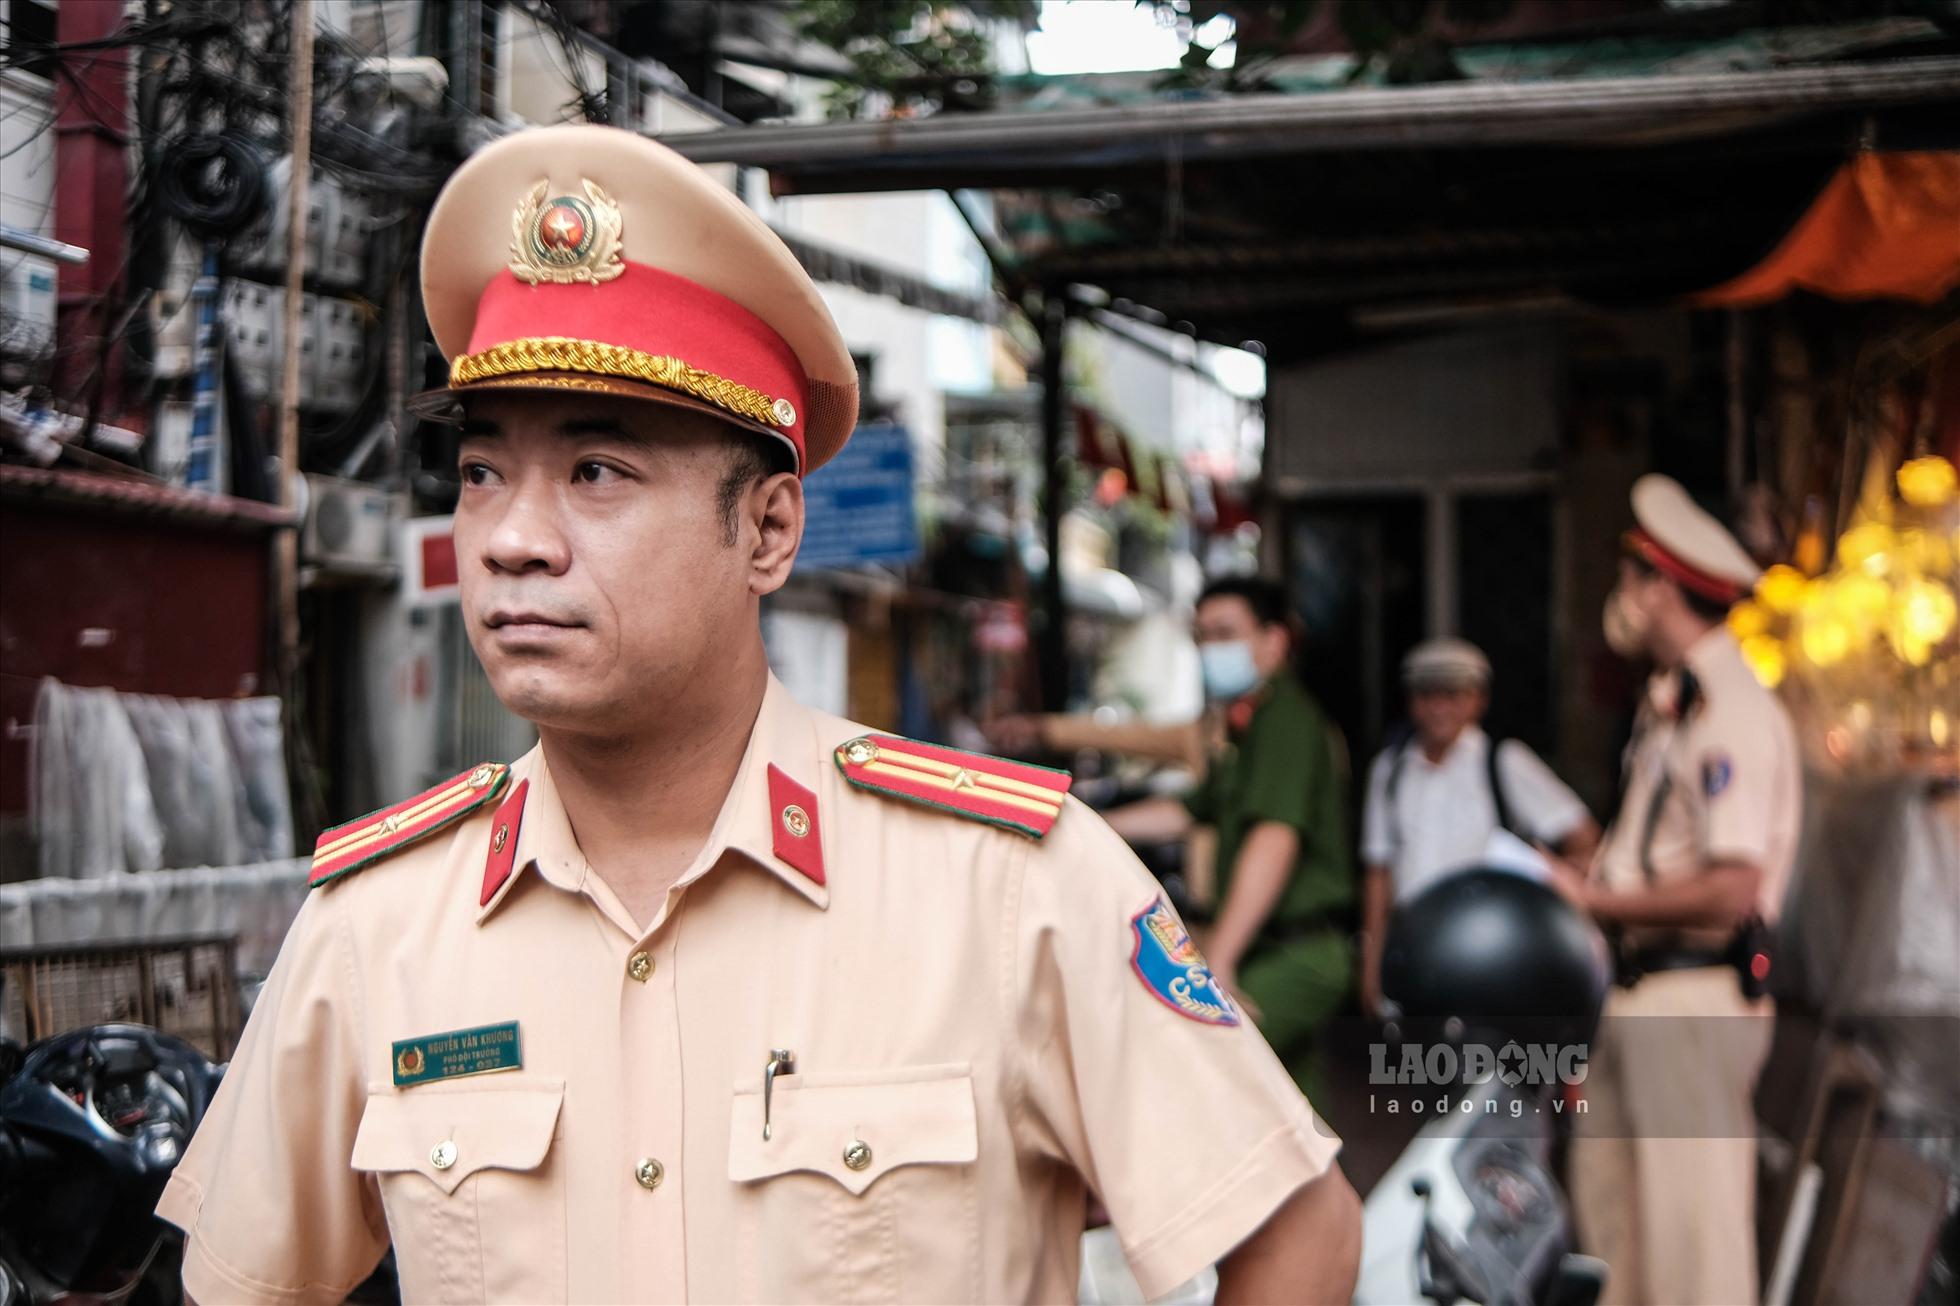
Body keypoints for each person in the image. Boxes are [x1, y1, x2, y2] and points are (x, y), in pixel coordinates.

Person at [153, 125, 1360, 1304]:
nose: (514, 539)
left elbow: (1297, 1231)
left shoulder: (1008, 892)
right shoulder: (377, 926)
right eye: (482, 472)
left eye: (597, 471)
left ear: (768, 529)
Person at [1552, 474, 1801, 1306]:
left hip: (1693, 997)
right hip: (1640, 992)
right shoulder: (1676, 706)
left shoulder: (1731, 712)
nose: (1619, 598)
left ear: (1660, 587)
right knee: (1619, 1233)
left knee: (1695, 1253)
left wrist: (1596, 903)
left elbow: (1732, 889)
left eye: (1629, 578)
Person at [1099, 576, 1355, 1093]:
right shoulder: (1248, 724)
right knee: (1300, 1122)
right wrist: (1090, 825)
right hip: (1279, 948)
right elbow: (1189, 809)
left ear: (1274, 640)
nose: (1210, 648)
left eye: (1225, 632)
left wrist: (1221, 960)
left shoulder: (1286, 721)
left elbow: (1274, 841)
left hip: (1297, 954)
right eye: (1202, 635)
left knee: (1197, 1070)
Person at [1356, 637, 1600, 1018]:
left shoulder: (1504, 761)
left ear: (1478, 699)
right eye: (1426, 694)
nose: (1439, 707)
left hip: (1489, 947)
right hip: (1415, 945)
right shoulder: (1390, 770)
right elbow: (1378, 872)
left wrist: (1550, 897)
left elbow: (1583, 838)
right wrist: (1371, 963)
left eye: (1452, 694)